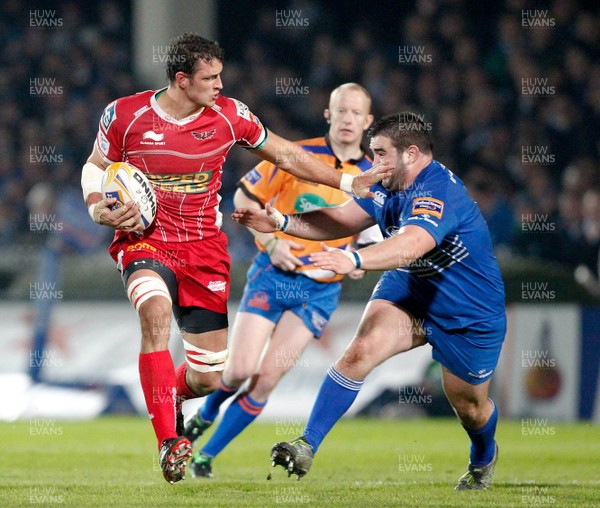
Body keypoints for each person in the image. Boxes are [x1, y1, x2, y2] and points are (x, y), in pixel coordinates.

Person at [80, 33, 387, 484]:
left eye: (221, 75)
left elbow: (285, 154)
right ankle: (170, 442)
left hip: (203, 250)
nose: (221, 84)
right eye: (211, 78)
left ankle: (170, 396)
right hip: (145, 240)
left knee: (209, 378)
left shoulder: (229, 116)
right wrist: (96, 206)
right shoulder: (125, 114)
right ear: (182, 81)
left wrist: (347, 184)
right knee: (155, 311)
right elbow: (95, 165)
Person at [233, 112, 506, 490]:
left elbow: (411, 244)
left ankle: (483, 456)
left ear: (411, 154)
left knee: (470, 408)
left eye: (380, 154)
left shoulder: (437, 190)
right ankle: (306, 444)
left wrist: (356, 259)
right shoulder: (386, 185)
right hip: (412, 289)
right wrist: (282, 223)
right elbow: (342, 220)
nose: (372, 163)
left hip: (468, 309)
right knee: (360, 350)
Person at [182, 83, 383, 478]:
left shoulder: (370, 176)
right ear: (328, 114)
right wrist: (272, 244)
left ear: (368, 122)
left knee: (266, 379)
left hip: (319, 290)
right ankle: (205, 413)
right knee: (238, 370)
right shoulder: (297, 156)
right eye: (340, 110)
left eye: (355, 113)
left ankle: (205, 457)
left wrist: (358, 262)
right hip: (272, 277)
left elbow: (370, 234)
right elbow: (242, 199)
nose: (347, 119)